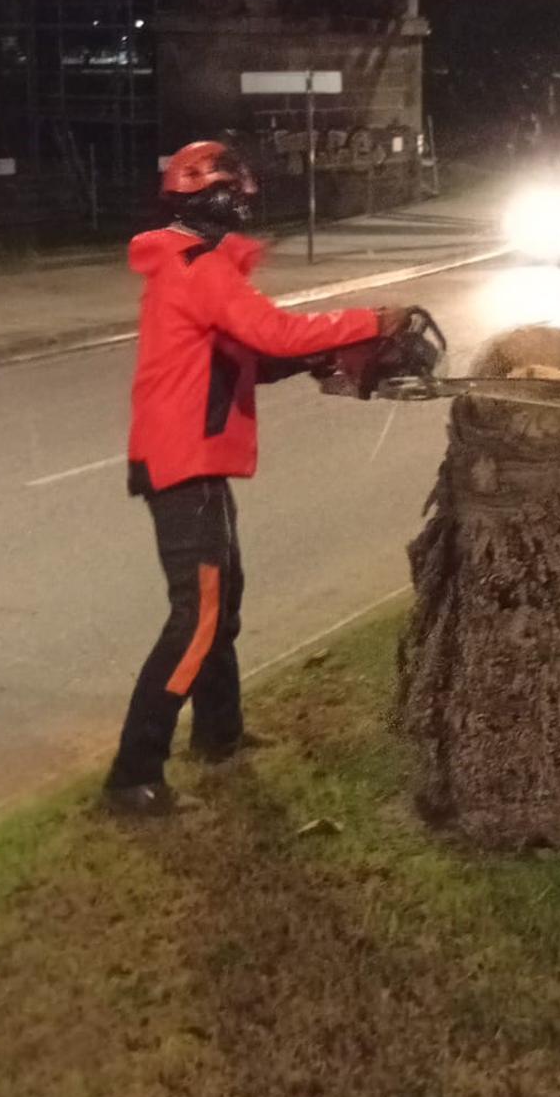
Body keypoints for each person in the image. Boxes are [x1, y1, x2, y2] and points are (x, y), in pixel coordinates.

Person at [102, 139, 412, 819]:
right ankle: (133, 774)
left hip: (192, 459)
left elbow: (246, 355)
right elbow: (270, 332)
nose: (242, 206)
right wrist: (368, 320)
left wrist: (323, 354)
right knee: (199, 614)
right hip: (186, 462)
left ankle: (220, 735)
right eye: (235, 195)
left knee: (223, 603)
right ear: (211, 195)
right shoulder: (196, 263)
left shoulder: (191, 265)